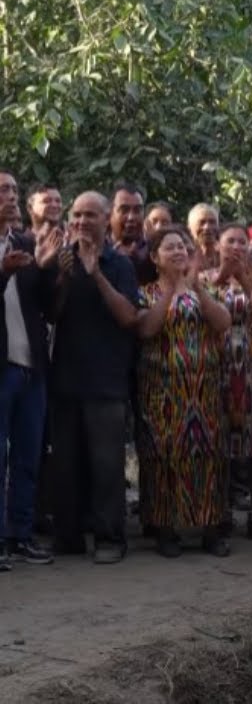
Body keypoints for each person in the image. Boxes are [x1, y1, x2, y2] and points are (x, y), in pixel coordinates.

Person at [46, 191, 143, 563]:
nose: (83, 222)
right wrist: (66, 277)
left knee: (107, 466)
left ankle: (109, 538)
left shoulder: (119, 264)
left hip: (106, 381)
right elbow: (52, 316)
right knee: (66, 465)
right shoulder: (61, 261)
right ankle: (68, 537)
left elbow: (129, 318)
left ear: (106, 221)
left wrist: (95, 272)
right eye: (78, 215)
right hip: (66, 379)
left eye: (91, 216)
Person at [135, 227, 232, 557]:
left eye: (182, 247)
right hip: (161, 394)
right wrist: (172, 290)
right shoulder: (145, 293)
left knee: (207, 457)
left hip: (203, 391)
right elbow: (148, 328)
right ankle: (166, 530)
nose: (178, 252)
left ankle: (211, 529)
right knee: (163, 458)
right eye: (170, 248)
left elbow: (223, 323)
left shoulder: (201, 291)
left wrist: (195, 289)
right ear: (154, 257)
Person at [0, 174, 61, 569]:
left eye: (13, 191)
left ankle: (18, 537)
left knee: (27, 457)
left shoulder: (25, 244)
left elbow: (48, 306)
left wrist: (46, 267)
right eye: (2, 190)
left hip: (31, 369)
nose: (10, 197)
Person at [202, 223, 252, 540]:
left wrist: (248, 284)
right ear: (218, 245)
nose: (236, 247)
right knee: (222, 440)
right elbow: (201, 317)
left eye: (242, 242)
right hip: (219, 366)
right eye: (229, 241)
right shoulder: (204, 278)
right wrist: (221, 278)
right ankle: (224, 509)